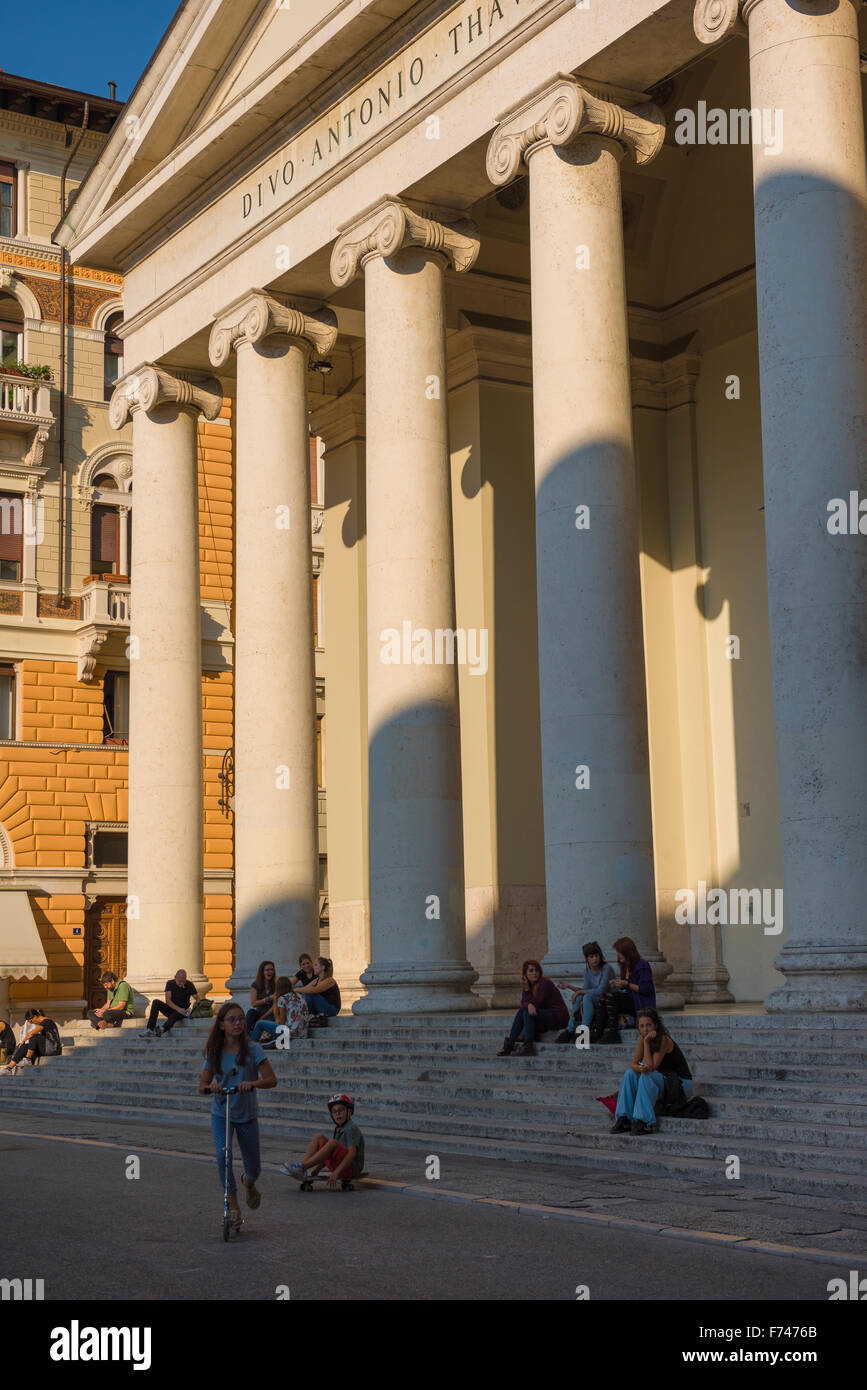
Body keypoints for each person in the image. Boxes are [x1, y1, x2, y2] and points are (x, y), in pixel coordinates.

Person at [198, 1001, 277, 1230]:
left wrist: (252, 1083)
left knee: (254, 1168)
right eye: (231, 1019)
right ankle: (232, 1204)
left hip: (247, 1112)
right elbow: (201, 1085)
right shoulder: (215, 1052)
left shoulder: (253, 1049)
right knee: (223, 1156)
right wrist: (211, 1087)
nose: (238, 1023)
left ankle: (248, 1182)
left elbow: (272, 1079)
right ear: (221, 1025)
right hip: (222, 1112)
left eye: (241, 1018)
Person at [610, 1009, 694, 1136]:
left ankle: (645, 1122)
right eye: (642, 1026)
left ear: (655, 1025)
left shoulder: (663, 1040)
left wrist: (646, 1043)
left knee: (646, 1075)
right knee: (630, 1074)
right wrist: (639, 1069)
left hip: (680, 1084)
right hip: (660, 1079)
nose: (645, 1029)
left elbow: (650, 1066)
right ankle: (624, 1118)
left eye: (648, 1025)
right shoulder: (642, 1038)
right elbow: (633, 1064)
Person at [283, 1093, 365, 1187]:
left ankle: (302, 1167)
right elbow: (329, 1152)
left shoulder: (351, 1128)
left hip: (351, 1170)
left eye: (341, 1110)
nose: (337, 1114)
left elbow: (351, 1154)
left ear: (349, 1112)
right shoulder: (339, 1129)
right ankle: (303, 1168)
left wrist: (336, 1173)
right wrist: (317, 1168)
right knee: (319, 1137)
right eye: (334, 1111)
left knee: (333, 1142)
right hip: (341, 1165)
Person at [497, 959, 568, 1057]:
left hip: (558, 1016)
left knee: (526, 1011)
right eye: (531, 971)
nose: (535, 973)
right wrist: (527, 993)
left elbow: (536, 1004)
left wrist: (527, 992)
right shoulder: (529, 986)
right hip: (544, 1016)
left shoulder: (545, 983)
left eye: (536, 970)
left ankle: (527, 1046)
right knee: (524, 1011)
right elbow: (524, 1003)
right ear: (525, 974)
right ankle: (510, 1044)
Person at [554, 941, 615, 1042]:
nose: (595, 959)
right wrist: (569, 986)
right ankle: (570, 1030)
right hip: (596, 998)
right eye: (591, 956)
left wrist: (580, 992)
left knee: (586, 996)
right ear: (587, 958)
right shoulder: (587, 971)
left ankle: (584, 1031)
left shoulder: (606, 968)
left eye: (596, 955)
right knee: (579, 997)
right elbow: (585, 989)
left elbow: (600, 990)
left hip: (608, 998)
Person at [607, 937, 656, 1024]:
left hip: (640, 1003)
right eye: (618, 953)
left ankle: (612, 1029)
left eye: (620, 952)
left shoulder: (642, 965)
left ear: (628, 952)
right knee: (605, 997)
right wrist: (618, 984)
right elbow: (626, 988)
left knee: (613, 997)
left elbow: (646, 989)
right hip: (631, 1001)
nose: (618, 955)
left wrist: (627, 984)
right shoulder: (625, 966)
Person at [141, 969, 198, 1040]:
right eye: (179, 981)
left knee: (174, 1015)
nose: (181, 983)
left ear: (186, 978)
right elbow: (168, 1000)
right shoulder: (170, 983)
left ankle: (162, 1029)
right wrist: (178, 1009)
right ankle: (149, 1029)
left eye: (183, 981)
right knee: (156, 1002)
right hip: (172, 1008)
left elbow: (197, 999)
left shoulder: (189, 984)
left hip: (183, 1011)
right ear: (175, 977)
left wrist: (197, 1008)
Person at [293, 957, 340, 1028]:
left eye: (316, 965)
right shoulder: (317, 980)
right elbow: (305, 988)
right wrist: (292, 989)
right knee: (299, 989)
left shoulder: (330, 980)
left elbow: (312, 990)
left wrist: (296, 990)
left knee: (309, 993)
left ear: (323, 967)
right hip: (321, 1008)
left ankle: (305, 1016)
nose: (313, 967)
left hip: (332, 1009)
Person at [0, 1008, 47, 1074]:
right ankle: (8, 1069)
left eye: (31, 1021)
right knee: (24, 1046)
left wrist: (23, 1042)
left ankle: (24, 1061)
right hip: (30, 1046)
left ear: (35, 1017)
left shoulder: (45, 1022)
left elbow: (31, 1034)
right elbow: (25, 1034)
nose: (30, 1022)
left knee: (30, 1040)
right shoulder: (30, 1023)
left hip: (8, 1047)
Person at [249, 976, 293, 1044]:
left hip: (289, 1032)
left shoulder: (282, 999)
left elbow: (282, 1024)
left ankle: (249, 1046)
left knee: (259, 1023)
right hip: (302, 1032)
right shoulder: (299, 997)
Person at [245, 960, 277, 1033]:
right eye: (267, 970)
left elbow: (275, 1005)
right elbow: (254, 1003)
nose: (270, 972)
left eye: (272, 970)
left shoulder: (276, 984)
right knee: (251, 1012)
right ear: (262, 972)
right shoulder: (255, 985)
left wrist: (262, 1018)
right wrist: (269, 998)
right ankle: (244, 1036)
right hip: (260, 1013)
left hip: (272, 1014)